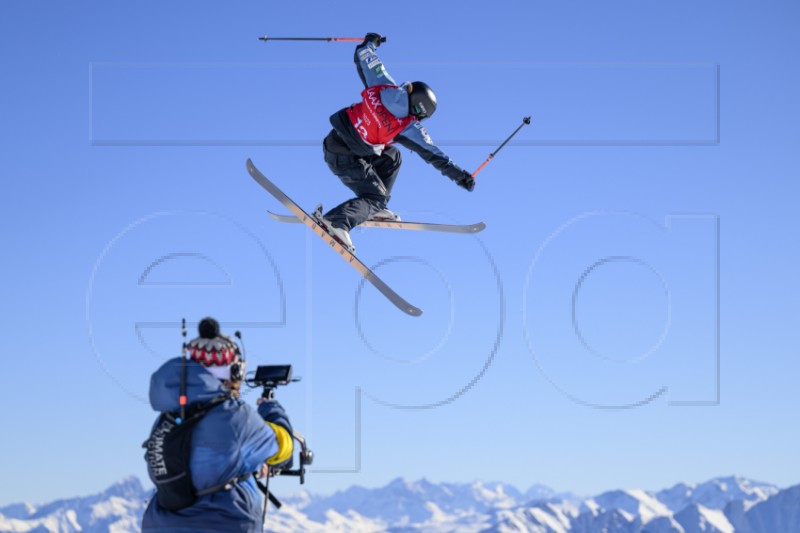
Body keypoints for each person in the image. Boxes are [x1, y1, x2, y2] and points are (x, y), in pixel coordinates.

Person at [315, 32, 476, 254]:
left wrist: (371, 42)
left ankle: (375, 206)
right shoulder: (408, 126)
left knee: (393, 156)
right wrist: (460, 175)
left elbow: (363, 55)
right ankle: (337, 221)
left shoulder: (383, 85)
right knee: (376, 197)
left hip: (335, 143)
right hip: (346, 159)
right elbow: (434, 154)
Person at [141, 317, 294, 533]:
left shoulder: (166, 419)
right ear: (233, 371)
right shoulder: (236, 419)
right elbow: (282, 447)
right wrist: (272, 410)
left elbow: (200, 465)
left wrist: (244, 467)